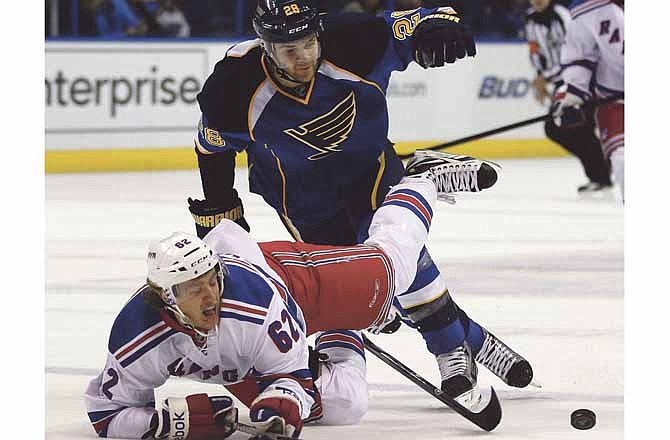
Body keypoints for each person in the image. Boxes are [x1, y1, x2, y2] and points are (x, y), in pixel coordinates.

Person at [188, 0, 533, 408]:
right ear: (266, 47)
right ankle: (472, 338)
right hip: (301, 199)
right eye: (289, 50)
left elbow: (423, 18)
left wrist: (440, 26)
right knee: (363, 288)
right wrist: (221, 208)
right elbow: (210, 148)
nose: (303, 59)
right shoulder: (233, 88)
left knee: (395, 258)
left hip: (368, 169)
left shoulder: (354, 41)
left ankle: (449, 352)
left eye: (309, 45)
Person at [86, 151, 497, 439]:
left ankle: (420, 178)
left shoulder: (250, 307)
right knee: (344, 407)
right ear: (168, 299)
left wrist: (282, 403)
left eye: (211, 279)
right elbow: (106, 413)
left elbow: (292, 377)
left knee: (395, 271)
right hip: (242, 356)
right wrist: (168, 426)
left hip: (291, 283)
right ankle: (344, 332)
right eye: (195, 288)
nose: (211, 293)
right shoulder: (136, 335)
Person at [525, 0, 612, 195]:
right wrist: (540, 76)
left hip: (580, 79)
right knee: (564, 128)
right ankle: (601, 172)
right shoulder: (530, 20)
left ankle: (602, 172)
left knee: (567, 127)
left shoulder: (563, 16)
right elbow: (535, 53)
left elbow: (577, 51)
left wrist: (544, 77)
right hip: (559, 81)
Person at [553, 0, 624, 201]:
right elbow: (579, 54)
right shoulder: (586, 8)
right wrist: (573, 96)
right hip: (615, 98)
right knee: (624, 161)